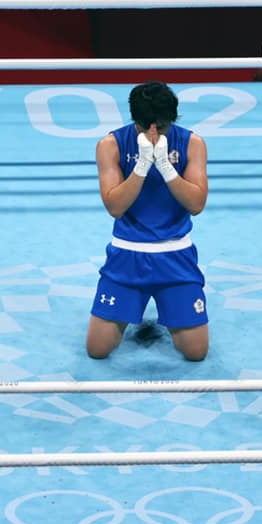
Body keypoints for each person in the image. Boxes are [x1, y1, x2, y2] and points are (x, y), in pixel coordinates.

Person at [86, 81, 210, 362]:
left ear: (173, 120)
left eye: (162, 127)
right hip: (126, 257)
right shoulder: (110, 145)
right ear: (135, 120)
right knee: (97, 349)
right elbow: (115, 207)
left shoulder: (193, 143)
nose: (153, 135)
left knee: (196, 352)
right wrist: (142, 165)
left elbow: (196, 204)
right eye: (145, 128)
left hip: (175, 256)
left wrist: (166, 167)